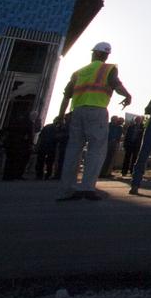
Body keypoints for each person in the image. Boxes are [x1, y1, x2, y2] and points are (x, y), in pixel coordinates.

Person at [56, 41, 131, 201]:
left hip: (77, 111)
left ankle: (67, 189)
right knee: (96, 149)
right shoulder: (108, 69)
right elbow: (116, 85)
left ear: (93, 53)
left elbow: (66, 96)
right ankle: (87, 187)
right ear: (106, 55)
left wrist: (61, 115)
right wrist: (127, 95)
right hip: (96, 111)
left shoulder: (79, 72)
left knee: (73, 150)